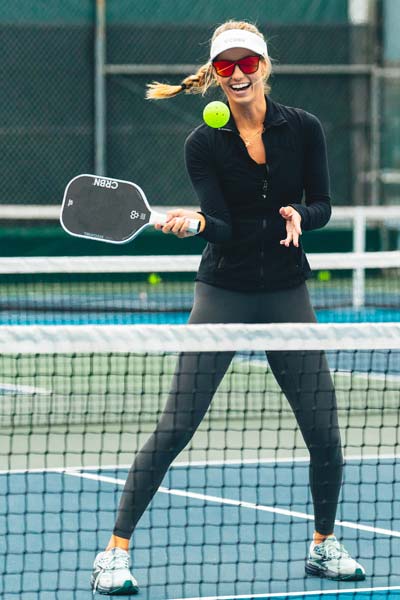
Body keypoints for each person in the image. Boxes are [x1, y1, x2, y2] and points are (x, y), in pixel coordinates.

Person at [90, 20, 366, 595]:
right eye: (225, 66)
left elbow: (323, 204)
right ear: (215, 76)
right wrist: (195, 224)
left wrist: (300, 217)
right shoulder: (204, 143)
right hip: (224, 291)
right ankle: (113, 552)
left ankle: (323, 543)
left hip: (287, 290)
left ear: (264, 65)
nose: (237, 74)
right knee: (177, 425)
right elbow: (223, 225)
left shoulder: (304, 128)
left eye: (246, 63)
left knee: (324, 428)